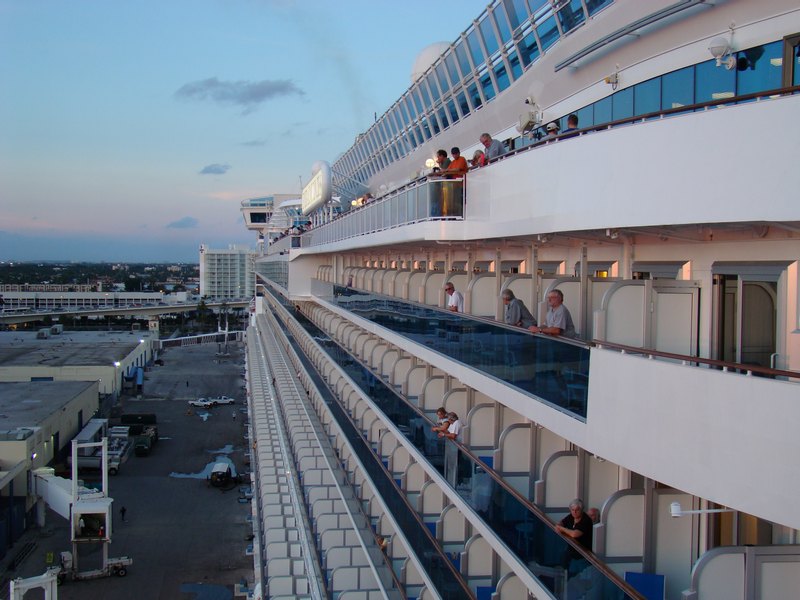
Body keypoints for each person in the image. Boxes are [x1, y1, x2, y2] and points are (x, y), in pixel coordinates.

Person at [556, 499, 593, 569]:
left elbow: (575, 534)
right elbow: (562, 522)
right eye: (572, 510)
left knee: (578, 575)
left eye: (577, 510)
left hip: (583, 555)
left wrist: (561, 528)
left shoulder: (586, 520)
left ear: (582, 510)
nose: (574, 512)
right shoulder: (571, 516)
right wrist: (559, 524)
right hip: (571, 551)